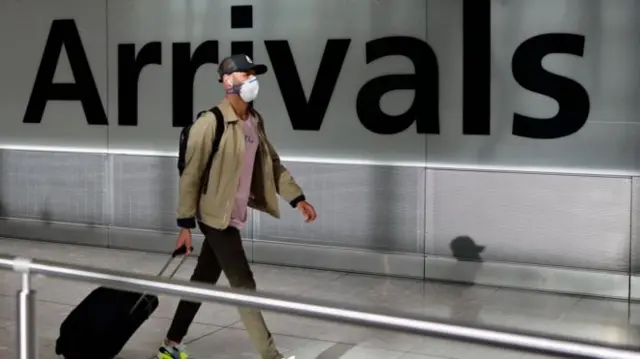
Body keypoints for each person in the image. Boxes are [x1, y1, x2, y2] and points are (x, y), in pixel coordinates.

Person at [158, 54, 317, 359]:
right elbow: (190, 175)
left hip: (233, 213)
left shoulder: (254, 121)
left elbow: (271, 164)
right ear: (228, 81)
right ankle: (271, 357)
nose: (252, 80)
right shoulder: (211, 122)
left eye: (253, 75)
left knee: (204, 278)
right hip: (215, 216)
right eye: (245, 75)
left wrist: (297, 198)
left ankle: (171, 343)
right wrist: (185, 226)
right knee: (243, 283)